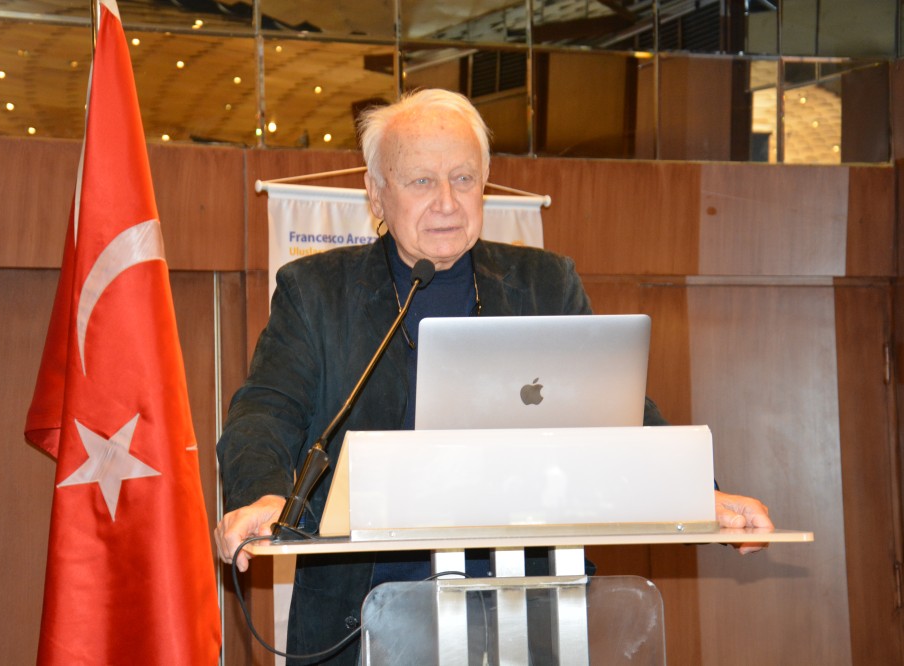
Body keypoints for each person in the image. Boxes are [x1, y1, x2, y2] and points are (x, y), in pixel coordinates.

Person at [214, 88, 773, 664]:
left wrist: (701, 492)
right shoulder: (316, 293)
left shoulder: (544, 284)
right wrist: (263, 496)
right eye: (421, 181)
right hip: (364, 619)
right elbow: (264, 412)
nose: (447, 203)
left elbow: (618, 413)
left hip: (529, 612)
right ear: (376, 192)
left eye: (463, 178)